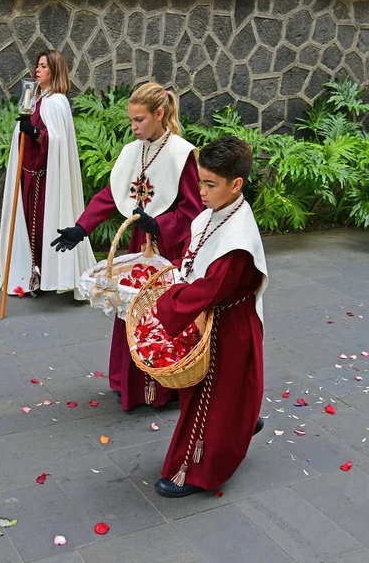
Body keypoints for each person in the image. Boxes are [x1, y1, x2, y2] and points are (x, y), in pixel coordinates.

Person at [51, 82, 202, 410]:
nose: (133, 127)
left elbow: (193, 210)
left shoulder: (181, 154)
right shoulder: (134, 150)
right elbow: (113, 193)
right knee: (133, 312)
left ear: (159, 114)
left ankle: (165, 386)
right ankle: (129, 382)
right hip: (140, 243)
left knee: (162, 317)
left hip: (170, 248)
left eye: (139, 120)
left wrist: (159, 224)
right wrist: (81, 228)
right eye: (131, 120)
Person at [154, 135, 268, 497]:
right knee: (217, 395)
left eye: (210, 184)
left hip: (228, 326)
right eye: (200, 181)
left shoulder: (238, 237)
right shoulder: (215, 213)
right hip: (214, 318)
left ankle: (196, 471)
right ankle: (242, 421)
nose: (200, 191)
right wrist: (171, 274)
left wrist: (165, 303)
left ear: (236, 184)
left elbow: (211, 288)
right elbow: (194, 259)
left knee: (211, 399)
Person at [0, 50, 95, 299]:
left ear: (54, 71)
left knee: (40, 227)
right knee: (30, 225)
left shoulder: (56, 102)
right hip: (27, 173)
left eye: (43, 66)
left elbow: (55, 140)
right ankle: (33, 272)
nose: (37, 70)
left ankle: (42, 273)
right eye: (37, 65)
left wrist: (33, 133)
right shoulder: (36, 97)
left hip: (44, 178)